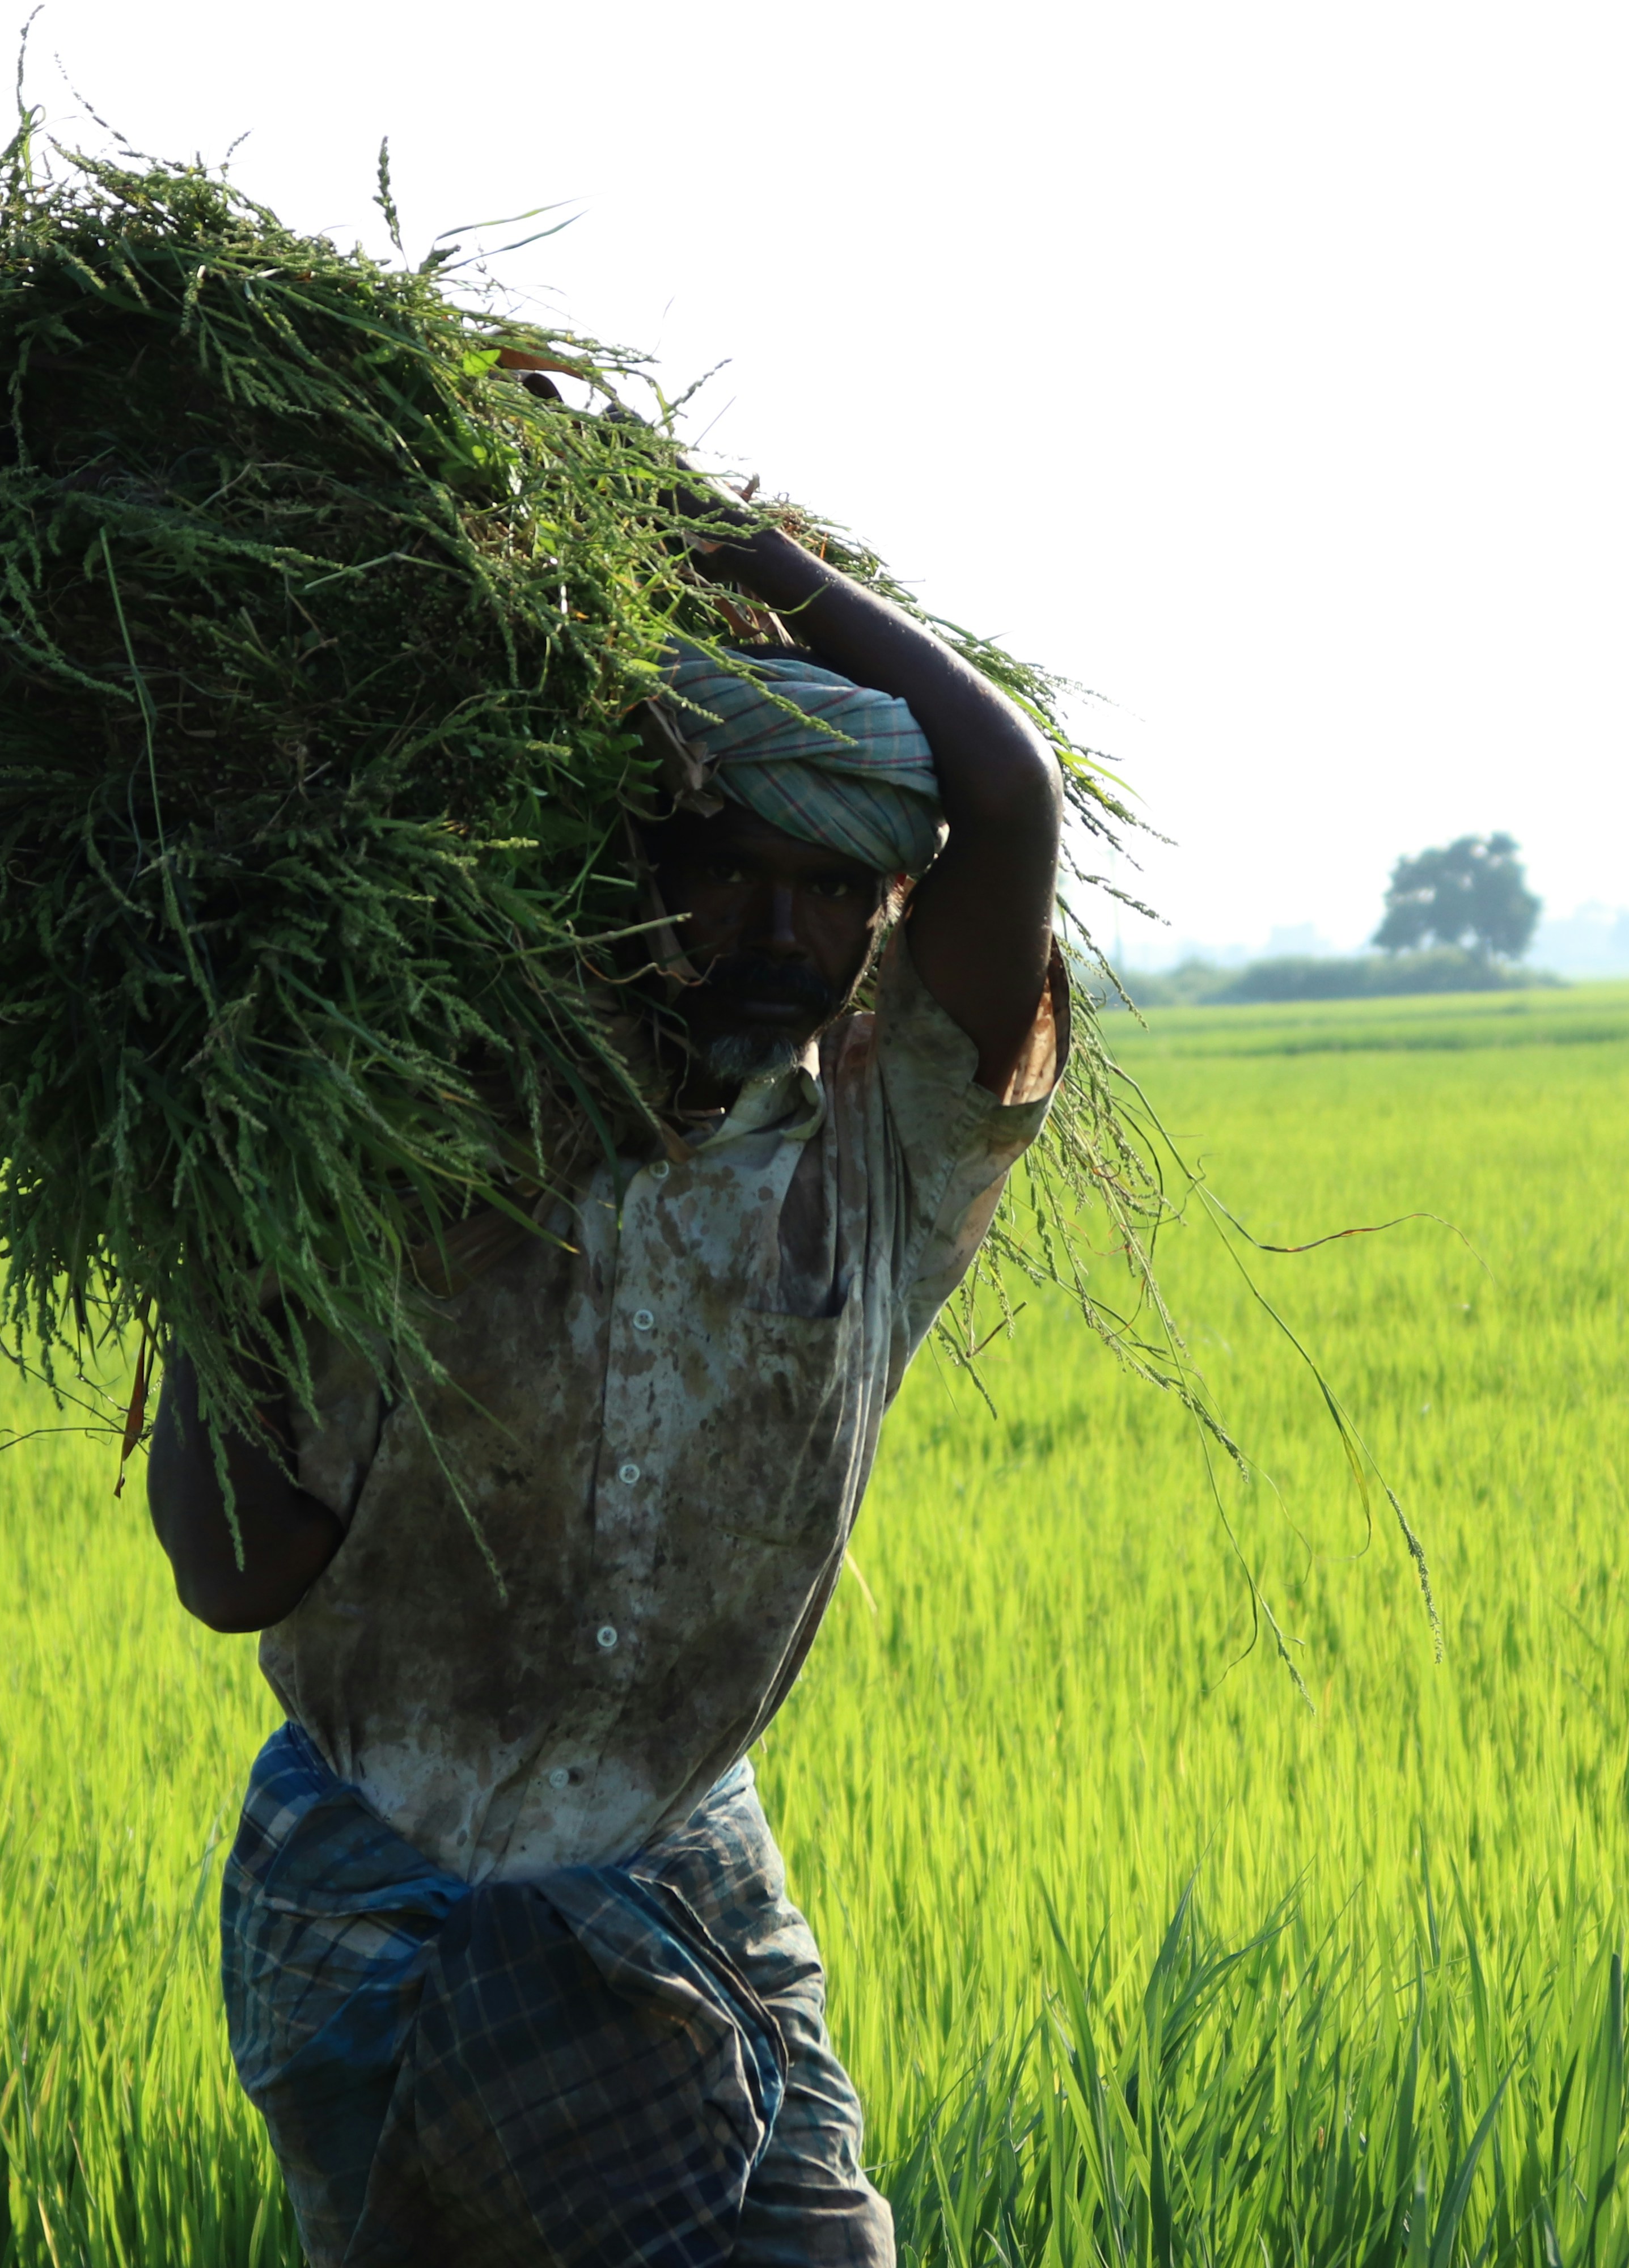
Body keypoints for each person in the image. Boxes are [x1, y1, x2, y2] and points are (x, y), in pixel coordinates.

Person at [146, 484, 1065, 2266]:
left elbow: (1004, 798)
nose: (783, 937)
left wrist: (721, 551)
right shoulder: (413, 1142)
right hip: (396, 1898)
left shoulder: (881, 1167)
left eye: (834, 893)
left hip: (694, 1870)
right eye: (732, 868)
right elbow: (229, 1568)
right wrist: (215, 1204)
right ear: (620, 864)